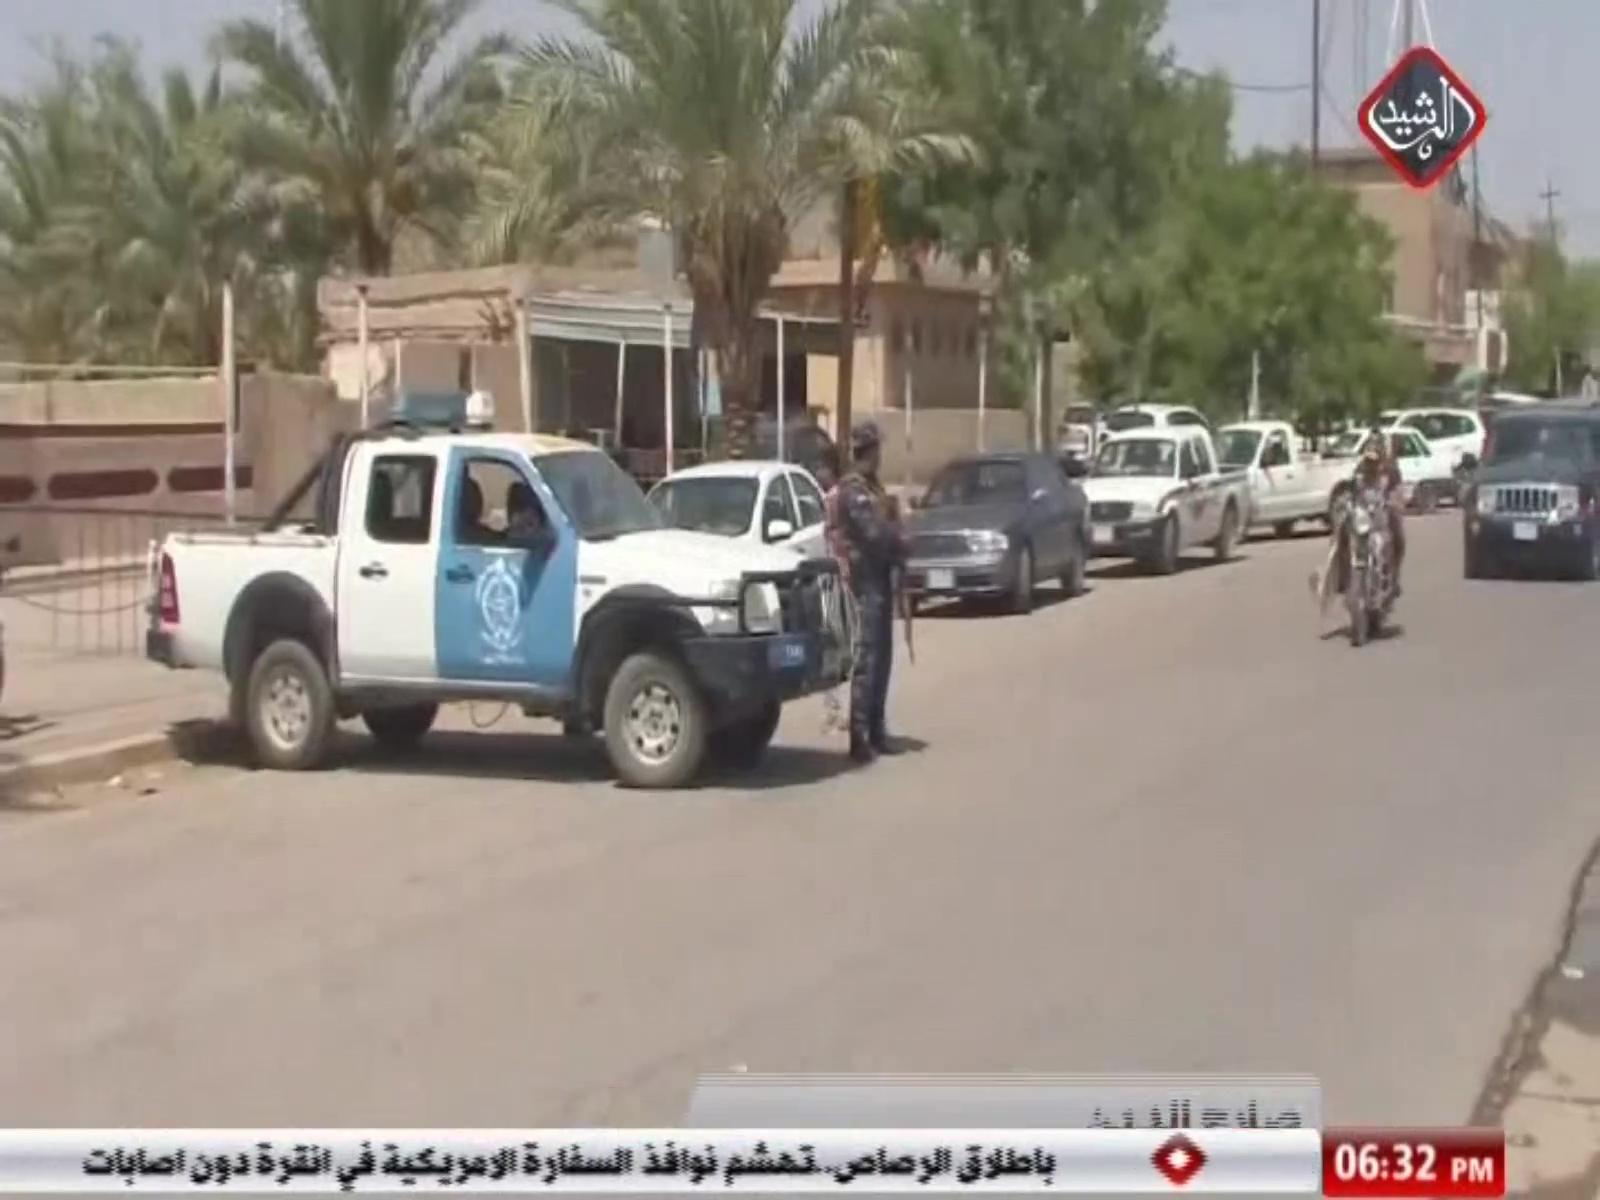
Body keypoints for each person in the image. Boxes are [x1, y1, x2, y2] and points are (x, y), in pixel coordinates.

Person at [834, 421, 907, 763]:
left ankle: (876, 729)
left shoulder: (872, 487)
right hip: (864, 582)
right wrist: (900, 539)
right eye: (877, 448)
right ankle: (860, 735)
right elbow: (874, 534)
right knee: (868, 658)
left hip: (880, 578)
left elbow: (888, 524)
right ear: (868, 450)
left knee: (883, 657)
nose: (881, 455)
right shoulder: (853, 491)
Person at [1316, 429, 1405, 610]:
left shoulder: (1390, 470)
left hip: (1381, 516)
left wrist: (1393, 502)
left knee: (1398, 536)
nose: (1371, 463)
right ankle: (1341, 578)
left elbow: (1396, 491)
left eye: (1375, 455)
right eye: (1369, 456)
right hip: (1364, 518)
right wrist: (1344, 504)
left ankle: (1395, 578)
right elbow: (1349, 491)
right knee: (1341, 533)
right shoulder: (1359, 471)